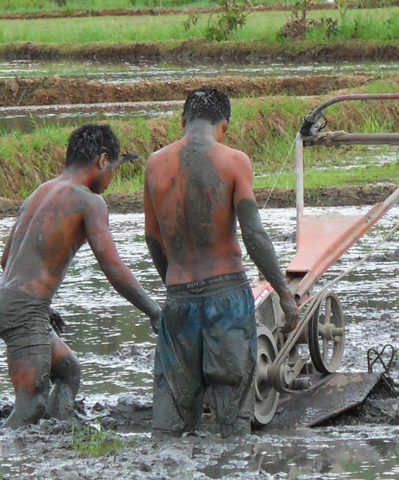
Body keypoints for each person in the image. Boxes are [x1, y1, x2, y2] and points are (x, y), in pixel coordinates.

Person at [144, 86, 299, 438]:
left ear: (182, 121)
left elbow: (152, 237)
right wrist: (284, 294)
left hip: (179, 298)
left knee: (169, 429)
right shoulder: (233, 161)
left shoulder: (155, 164)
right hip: (226, 298)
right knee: (233, 424)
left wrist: (173, 282)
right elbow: (254, 235)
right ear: (223, 125)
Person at [0, 124, 161, 429]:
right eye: (114, 168)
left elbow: (7, 259)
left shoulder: (41, 191)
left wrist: (43, 307)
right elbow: (112, 268)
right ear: (102, 161)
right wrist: (153, 310)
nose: (112, 179)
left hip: (13, 301)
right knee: (30, 406)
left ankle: (59, 434)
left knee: (68, 371)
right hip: (25, 311)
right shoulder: (89, 201)